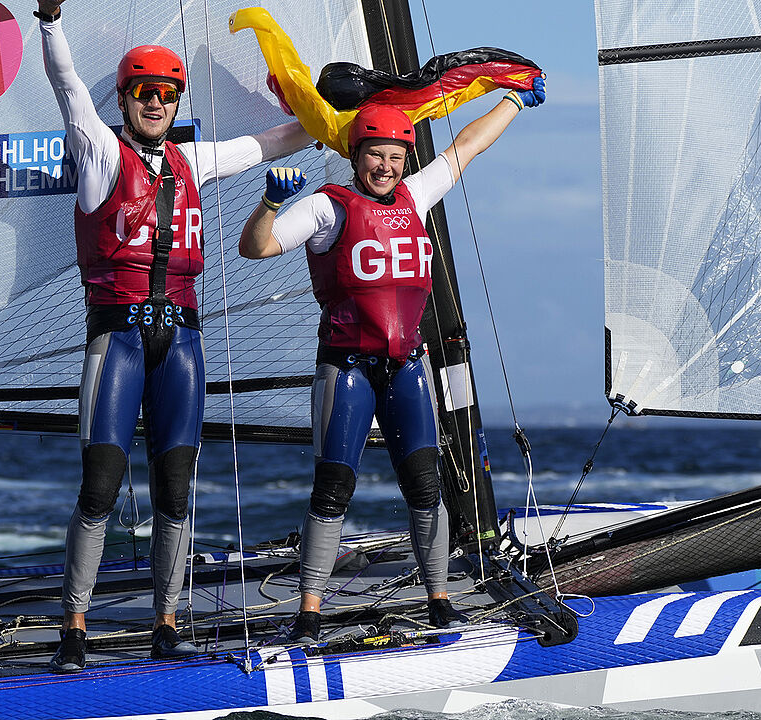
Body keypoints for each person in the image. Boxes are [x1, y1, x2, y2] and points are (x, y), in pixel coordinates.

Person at [35, 0, 313, 672]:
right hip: (119, 341)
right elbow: (68, 86)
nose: (156, 103)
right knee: (100, 486)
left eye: (166, 94)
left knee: (176, 490)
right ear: (126, 99)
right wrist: (47, 22)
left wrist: (333, 115)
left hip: (181, 346)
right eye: (144, 93)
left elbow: (277, 141)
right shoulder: (100, 152)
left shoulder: (195, 159)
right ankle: (72, 626)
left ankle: (166, 621)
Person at [238, 77, 546, 642]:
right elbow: (254, 247)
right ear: (355, 155)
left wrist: (514, 100)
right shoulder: (326, 208)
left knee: (425, 487)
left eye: (396, 156)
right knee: (332, 489)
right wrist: (270, 203)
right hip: (347, 369)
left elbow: (468, 146)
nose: (386, 166)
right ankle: (308, 611)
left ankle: (439, 599)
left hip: (407, 366)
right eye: (375, 155)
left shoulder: (417, 195)